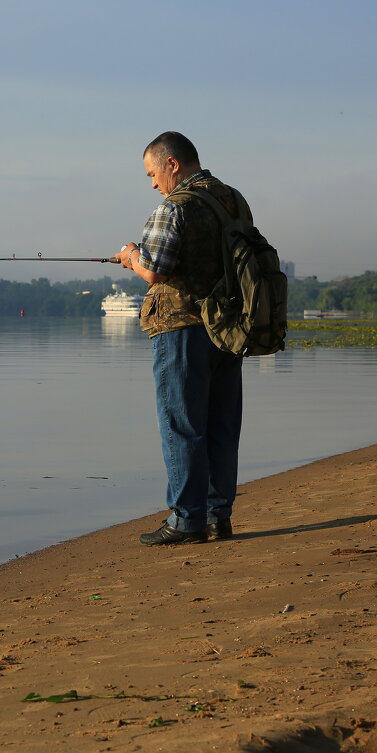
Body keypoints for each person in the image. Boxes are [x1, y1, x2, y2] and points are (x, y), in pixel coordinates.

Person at [110, 131, 245, 546]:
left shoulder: (174, 207)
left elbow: (156, 270)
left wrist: (131, 256)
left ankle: (187, 520)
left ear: (173, 164)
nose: (153, 183)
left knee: (182, 425)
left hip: (180, 328)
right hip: (228, 328)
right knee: (221, 425)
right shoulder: (233, 200)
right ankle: (217, 518)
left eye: (153, 172)